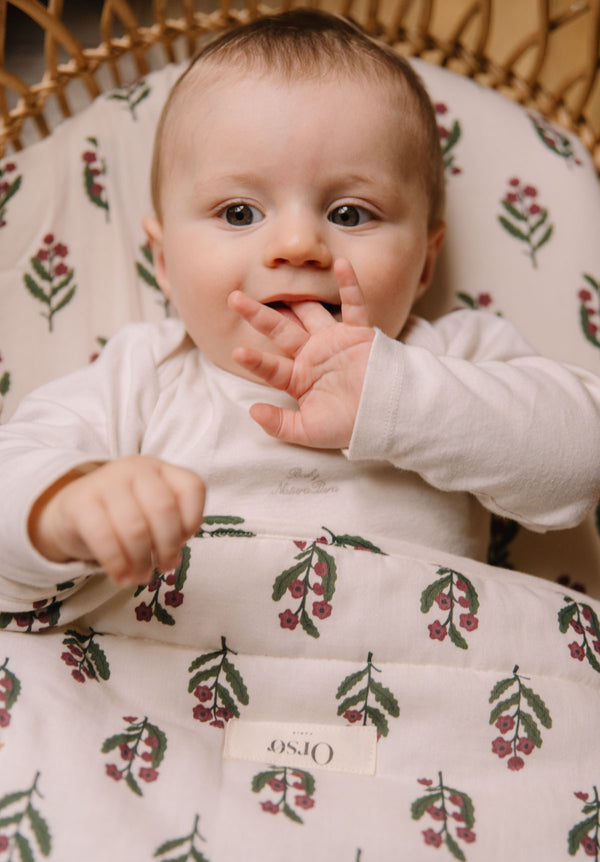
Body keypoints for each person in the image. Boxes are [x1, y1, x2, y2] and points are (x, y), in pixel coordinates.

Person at [1, 8, 600, 604]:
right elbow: (13, 470)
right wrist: (65, 507)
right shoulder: (144, 376)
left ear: (424, 263)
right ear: (163, 263)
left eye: (349, 214)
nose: (297, 246)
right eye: (239, 213)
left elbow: (581, 465)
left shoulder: (452, 356)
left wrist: (397, 393)